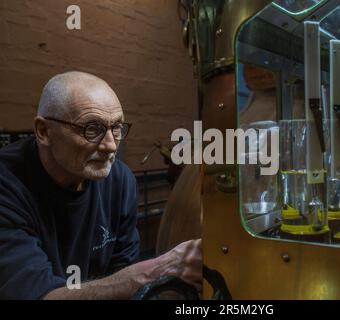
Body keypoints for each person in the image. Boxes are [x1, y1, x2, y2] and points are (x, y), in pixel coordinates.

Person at [0, 71, 202, 299]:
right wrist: (153, 272)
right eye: (92, 129)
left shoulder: (120, 181)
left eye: (116, 128)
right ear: (44, 131)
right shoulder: (8, 185)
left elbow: (120, 280)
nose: (111, 146)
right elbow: (35, 295)